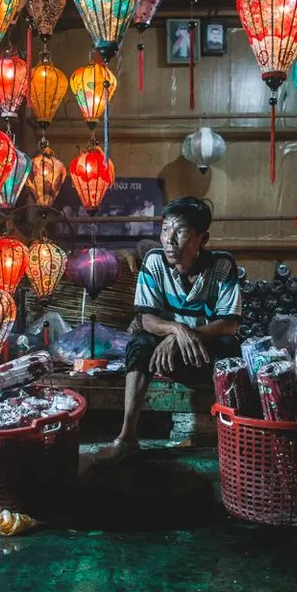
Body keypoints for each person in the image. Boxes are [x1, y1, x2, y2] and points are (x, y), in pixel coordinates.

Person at [94, 196, 242, 465]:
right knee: (139, 343)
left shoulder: (222, 265)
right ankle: (127, 436)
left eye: (181, 231)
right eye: (165, 229)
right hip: (165, 354)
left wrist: (187, 335)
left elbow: (229, 323)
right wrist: (176, 330)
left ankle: (234, 439)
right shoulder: (154, 261)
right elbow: (147, 319)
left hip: (203, 352)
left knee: (230, 350)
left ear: (203, 239)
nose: (169, 240)